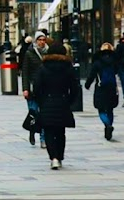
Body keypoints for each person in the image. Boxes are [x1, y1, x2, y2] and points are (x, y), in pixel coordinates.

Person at [32, 41, 79, 170]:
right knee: (60, 131)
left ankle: (53, 158)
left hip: (47, 102)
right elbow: (75, 88)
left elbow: (36, 87)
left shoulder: (43, 67)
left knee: (48, 131)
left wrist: (40, 101)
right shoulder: (68, 68)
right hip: (63, 102)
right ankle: (60, 156)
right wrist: (69, 101)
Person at [85, 42, 119, 141]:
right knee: (110, 109)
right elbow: (117, 72)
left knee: (101, 109)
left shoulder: (97, 62)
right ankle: (110, 125)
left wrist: (87, 84)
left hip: (100, 87)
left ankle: (107, 124)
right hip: (112, 87)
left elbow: (92, 75)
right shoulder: (114, 61)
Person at [22, 32, 48, 148]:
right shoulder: (29, 53)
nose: (42, 42)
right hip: (32, 89)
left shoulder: (49, 53)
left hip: (44, 89)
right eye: (40, 40)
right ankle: (32, 131)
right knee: (33, 113)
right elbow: (25, 73)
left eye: (44, 39)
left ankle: (43, 139)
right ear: (36, 41)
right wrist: (25, 89)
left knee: (43, 115)